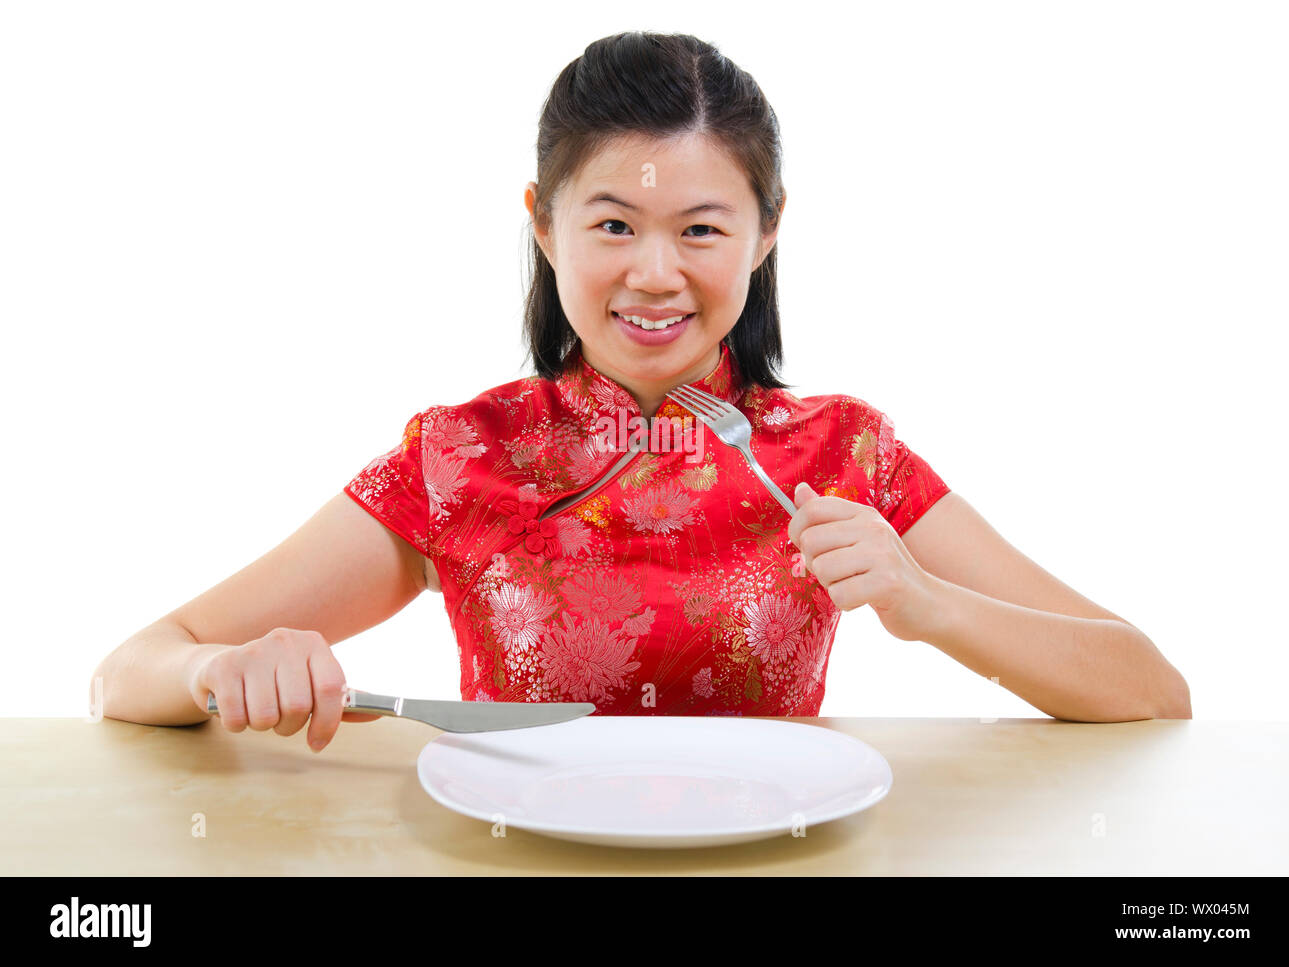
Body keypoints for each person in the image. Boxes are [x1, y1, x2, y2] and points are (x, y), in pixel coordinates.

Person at [91, 31, 1191, 752]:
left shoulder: (844, 452)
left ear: (766, 235)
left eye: (702, 229)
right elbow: (129, 669)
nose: (655, 275)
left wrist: (928, 604)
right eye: (612, 223)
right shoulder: (461, 455)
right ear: (541, 221)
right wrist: (224, 668)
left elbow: (1149, 688)